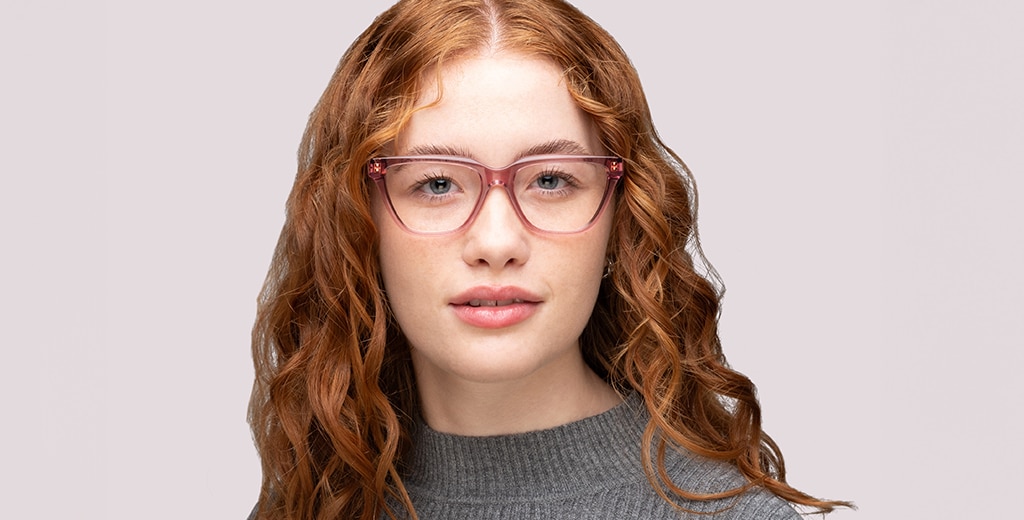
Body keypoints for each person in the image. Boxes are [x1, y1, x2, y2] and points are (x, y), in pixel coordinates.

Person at [247, 0, 852, 518]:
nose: (496, 243)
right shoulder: (309, 502)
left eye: (553, 181)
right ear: (358, 219)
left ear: (622, 215)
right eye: (436, 184)